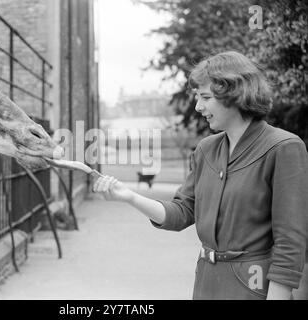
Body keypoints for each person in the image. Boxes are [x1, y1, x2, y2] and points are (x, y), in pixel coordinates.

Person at [93, 51, 308, 300]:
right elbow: (181, 212)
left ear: (235, 94)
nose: (198, 107)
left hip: (254, 287)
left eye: (205, 97)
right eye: (197, 97)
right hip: (206, 282)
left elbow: (290, 243)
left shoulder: (283, 147)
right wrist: (129, 197)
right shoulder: (207, 149)